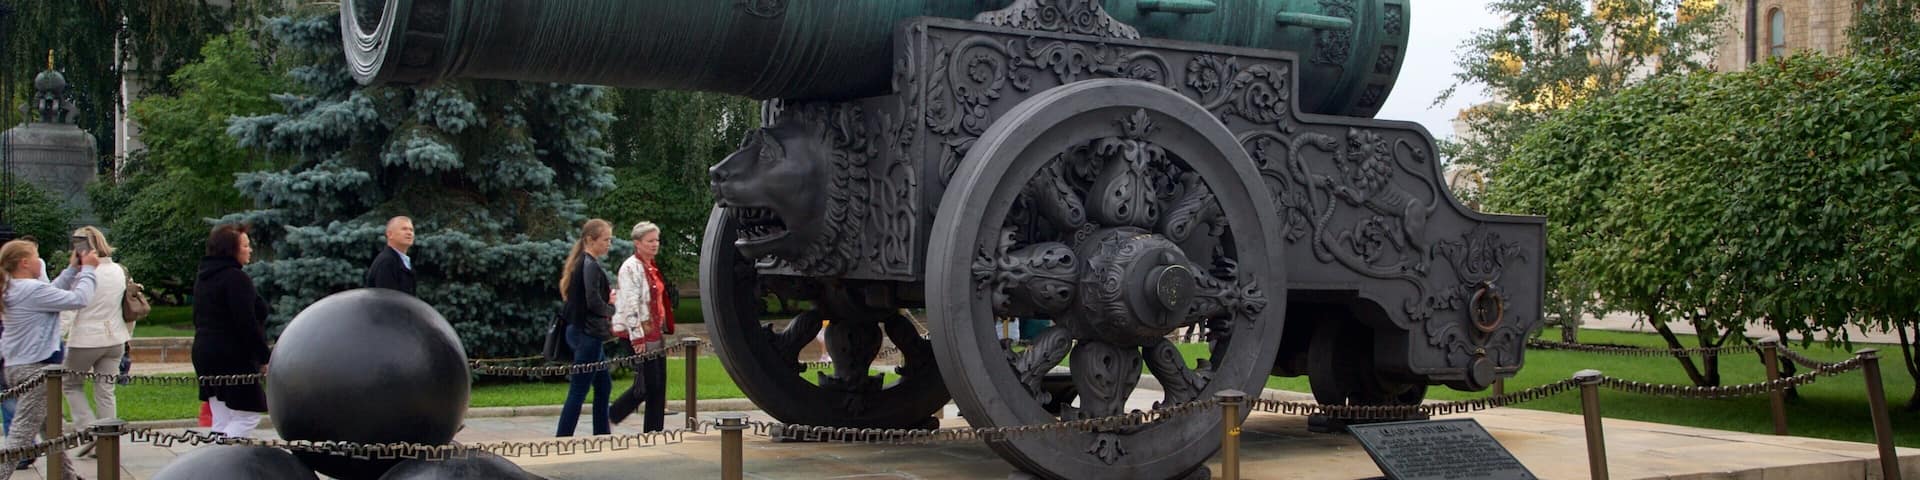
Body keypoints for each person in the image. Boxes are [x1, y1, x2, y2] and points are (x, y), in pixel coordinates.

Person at [0, 238, 98, 479]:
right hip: (37, 368)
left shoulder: (15, 287)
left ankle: (66, 476)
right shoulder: (31, 290)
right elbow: (79, 299)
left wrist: (72, 269)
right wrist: (88, 270)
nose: (39, 260)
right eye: (36, 256)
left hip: (16, 366)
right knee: (21, 435)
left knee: (50, 428)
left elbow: (52, 291)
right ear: (24, 263)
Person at [192, 224, 271, 438]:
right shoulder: (236, 278)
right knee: (247, 415)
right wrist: (264, 356)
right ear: (231, 250)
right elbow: (246, 323)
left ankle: (217, 462)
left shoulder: (204, 277)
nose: (250, 250)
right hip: (231, 356)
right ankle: (219, 460)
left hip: (205, 352)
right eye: (245, 245)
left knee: (223, 418)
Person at [57, 227, 128, 458]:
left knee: (70, 384)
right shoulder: (119, 270)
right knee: (106, 390)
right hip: (115, 337)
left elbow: (70, 308)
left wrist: (57, 335)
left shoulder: (84, 274)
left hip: (86, 339)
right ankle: (107, 440)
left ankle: (89, 430)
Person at [610, 222, 676, 431]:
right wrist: (637, 338)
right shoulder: (630, 268)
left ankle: (654, 430)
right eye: (650, 241)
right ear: (637, 243)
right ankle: (612, 414)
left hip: (655, 332)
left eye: (657, 240)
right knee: (646, 386)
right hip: (640, 333)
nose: (655, 244)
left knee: (658, 386)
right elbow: (631, 304)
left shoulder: (651, 267)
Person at [555, 219, 615, 437]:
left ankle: (602, 433)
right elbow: (592, 301)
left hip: (586, 332)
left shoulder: (584, 262)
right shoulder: (588, 264)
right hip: (586, 333)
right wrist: (611, 309)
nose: (609, 244)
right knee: (579, 389)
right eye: (606, 239)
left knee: (603, 385)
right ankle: (562, 438)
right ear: (591, 240)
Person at [363, 216, 417, 295]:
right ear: (390, 234)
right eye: (404, 229)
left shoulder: (402, 261)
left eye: (411, 230)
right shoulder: (387, 262)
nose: (409, 233)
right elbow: (387, 300)